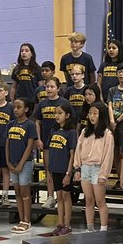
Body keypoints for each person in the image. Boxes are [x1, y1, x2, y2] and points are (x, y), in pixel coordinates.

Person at [74, 102, 115, 232]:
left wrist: (104, 174)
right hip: (85, 167)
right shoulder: (85, 131)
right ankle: (89, 227)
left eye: (95, 113)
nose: (91, 116)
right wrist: (77, 168)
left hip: (98, 168)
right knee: (89, 200)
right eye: (90, 113)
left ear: (101, 115)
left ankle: (103, 229)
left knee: (100, 201)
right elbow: (78, 150)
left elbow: (108, 155)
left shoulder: (107, 134)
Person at [34, 78, 71, 212]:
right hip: (46, 141)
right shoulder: (42, 104)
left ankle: (61, 196)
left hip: (61, 142)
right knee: (48, 169)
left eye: (51, 87)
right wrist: (38, 139)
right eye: (47, 87)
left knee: (59, 169)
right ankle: (50, 196)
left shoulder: (64, 102)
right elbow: (37, 121)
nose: (48, 89)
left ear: (58, 88)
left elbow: (71, 120)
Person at [41, 104, 77, 236]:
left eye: (60, 113)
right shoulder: (53, 131)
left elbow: (72, 154)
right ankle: (60, 223)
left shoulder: (71, 132)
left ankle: (68, 225)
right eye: (55, 113)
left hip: (65, 169)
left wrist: (69, 173)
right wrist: (49, 171)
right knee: (59, 197)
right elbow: (50, 150)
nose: (56, 115)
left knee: (66, 196)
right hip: (55, 168)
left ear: (67, 115)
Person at [6, 98, 39, 234]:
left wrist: (21, 164)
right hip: (12, 163)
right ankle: (21, 219)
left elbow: (29, 146)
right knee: (17, 192)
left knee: (25, 192)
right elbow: (7, 144)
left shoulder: (30, 125)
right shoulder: (10, 124)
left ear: (25, 109)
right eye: (14, 107)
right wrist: (8, 161)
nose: (15, 109)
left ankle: (27, 221)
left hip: (25, 163)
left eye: (19, 107)